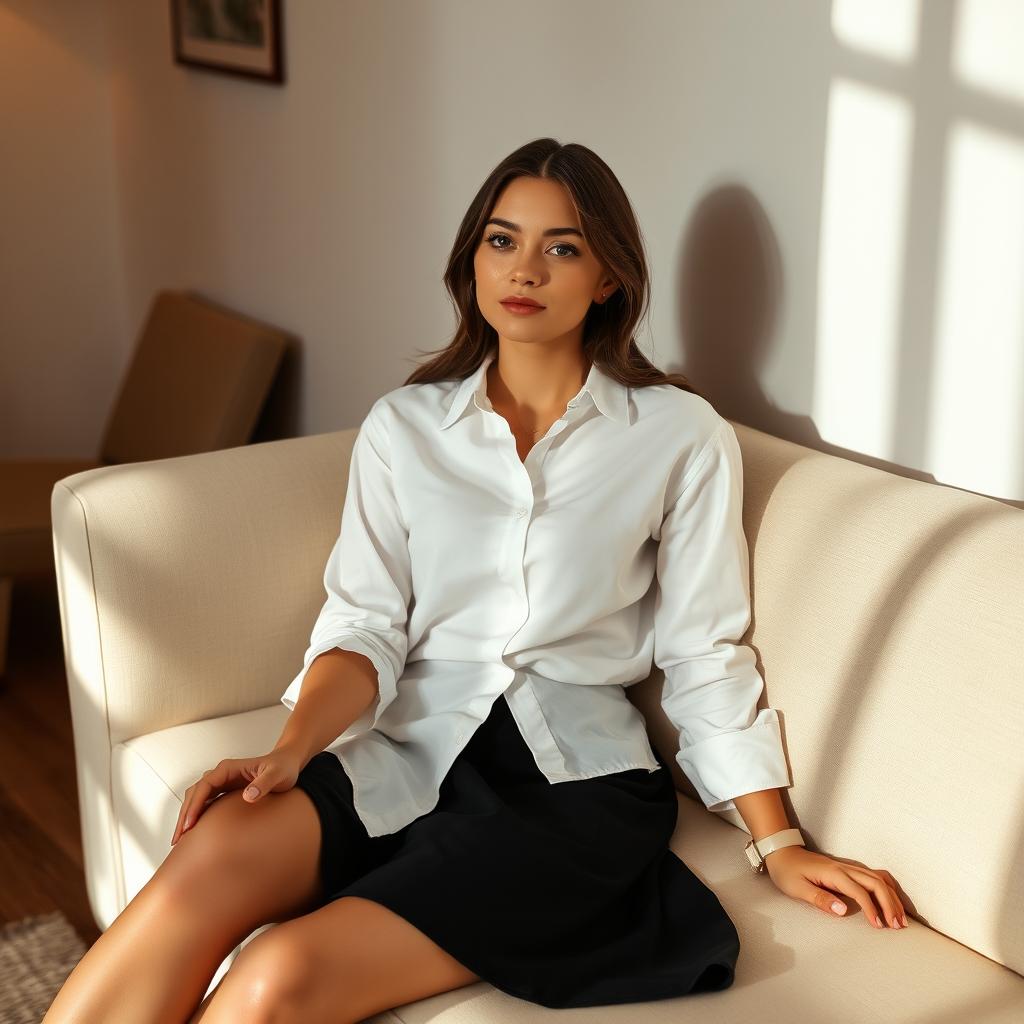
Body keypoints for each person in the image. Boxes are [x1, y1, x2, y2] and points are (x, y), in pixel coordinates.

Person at [44, 138, 910, 1024]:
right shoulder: (405, 427)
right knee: (208, 864)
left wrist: (778, 841)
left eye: (562, 247)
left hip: (569, 786)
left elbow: (703, 650)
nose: (524, 269)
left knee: (277, 975)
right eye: (502, 241)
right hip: (409, 740)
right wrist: (291, 749)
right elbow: (364, 624)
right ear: (473, 259)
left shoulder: (679, 435)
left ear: (608, 277)